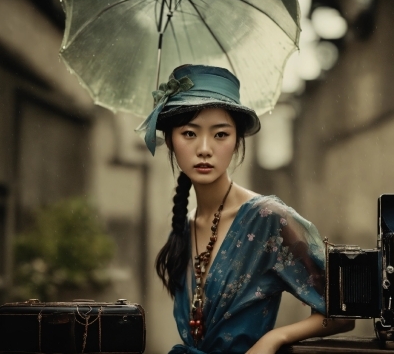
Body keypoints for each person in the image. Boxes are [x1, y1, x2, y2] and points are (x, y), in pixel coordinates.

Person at [136, 65, 354, 353]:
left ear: (237, 140)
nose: (204, 148)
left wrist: (274, 338)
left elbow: (343, 312)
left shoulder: (267, 218)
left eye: (220, 134)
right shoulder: (184, 225)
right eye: (189, 133)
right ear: (171, 142)